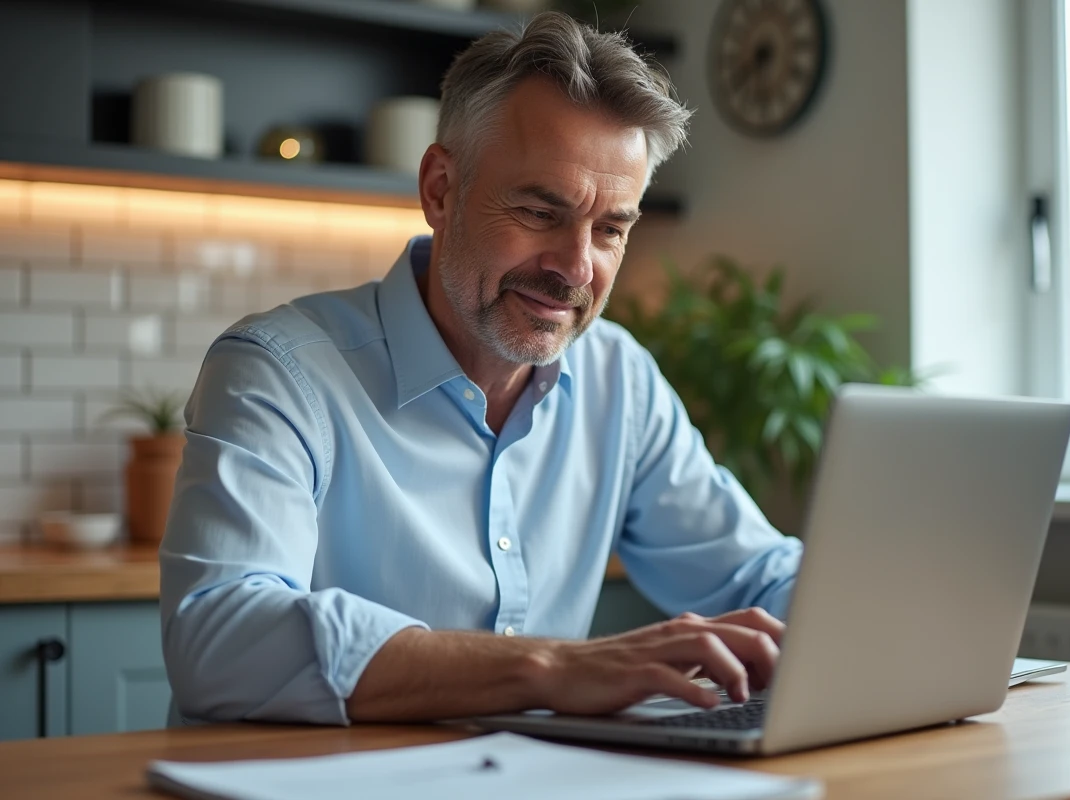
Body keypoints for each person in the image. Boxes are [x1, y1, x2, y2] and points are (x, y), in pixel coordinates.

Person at [159, 11, 802, 726]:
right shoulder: (279, 373)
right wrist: (550, 667)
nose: (575, 267)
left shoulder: (620, 377)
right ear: (440, 188)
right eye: (537, 211)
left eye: (611, 229)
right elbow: (220, 638)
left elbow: (757, 575)